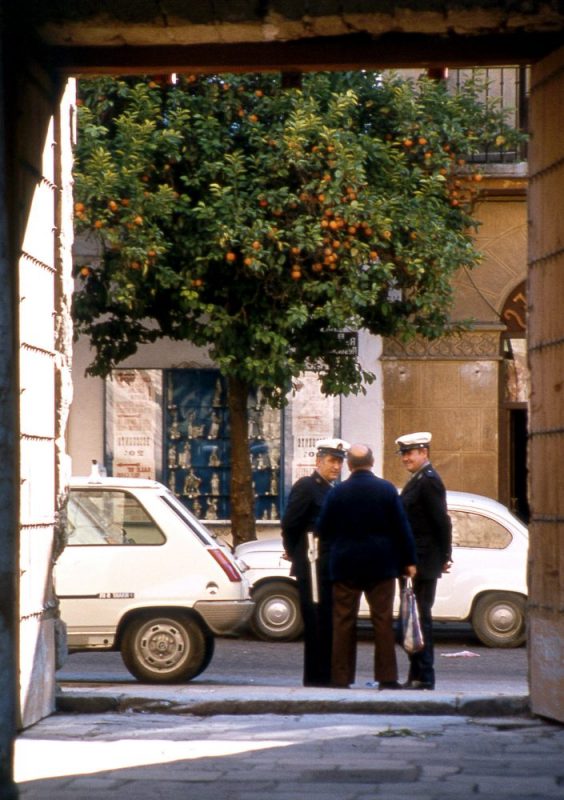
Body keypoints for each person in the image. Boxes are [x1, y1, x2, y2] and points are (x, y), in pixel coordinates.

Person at [317, 443, 417, 690]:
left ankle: (340, 678)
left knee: (343, 621)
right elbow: (402, 528)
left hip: (345, 565)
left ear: (349, 465)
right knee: (382, 621)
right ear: (372, 463)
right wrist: (409, 561)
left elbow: (323, 528)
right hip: (381, 565)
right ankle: (387, 677)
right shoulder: (386, 490)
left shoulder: (337, 492)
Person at [281, 437, 350, 687]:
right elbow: (290, 523)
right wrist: (293, 550)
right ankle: (315, 678)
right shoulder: (307, 486)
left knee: (326, 620)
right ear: (318, 461)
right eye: (332, 460)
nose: (336, 466)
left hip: (326, 564)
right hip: (311, 563)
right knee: (316, 621)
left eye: (340, 462)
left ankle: (325, 673)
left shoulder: (330, 489)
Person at [395, 431, 453, 691]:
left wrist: (444, 556)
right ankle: (416, 674)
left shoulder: (427, 481)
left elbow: (442, 521)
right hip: (415, 561)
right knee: (412, 620)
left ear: (424, 453)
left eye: (410, 453)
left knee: (420, 620)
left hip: (421, 562)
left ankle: (424, 676)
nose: (406, 458)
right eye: (404, 454)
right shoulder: (417, 479)